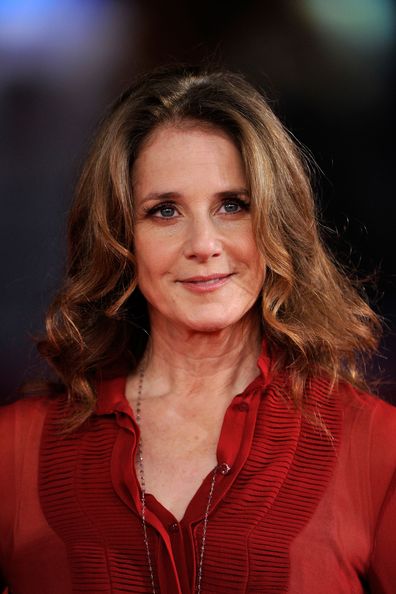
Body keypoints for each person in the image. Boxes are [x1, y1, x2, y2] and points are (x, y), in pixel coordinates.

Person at [0, 66, 395, 594]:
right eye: (165, 211)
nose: (204, 244)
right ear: (120, 238)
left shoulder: (375, 445)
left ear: (277, 222)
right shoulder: (15, 449)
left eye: (233, 206)